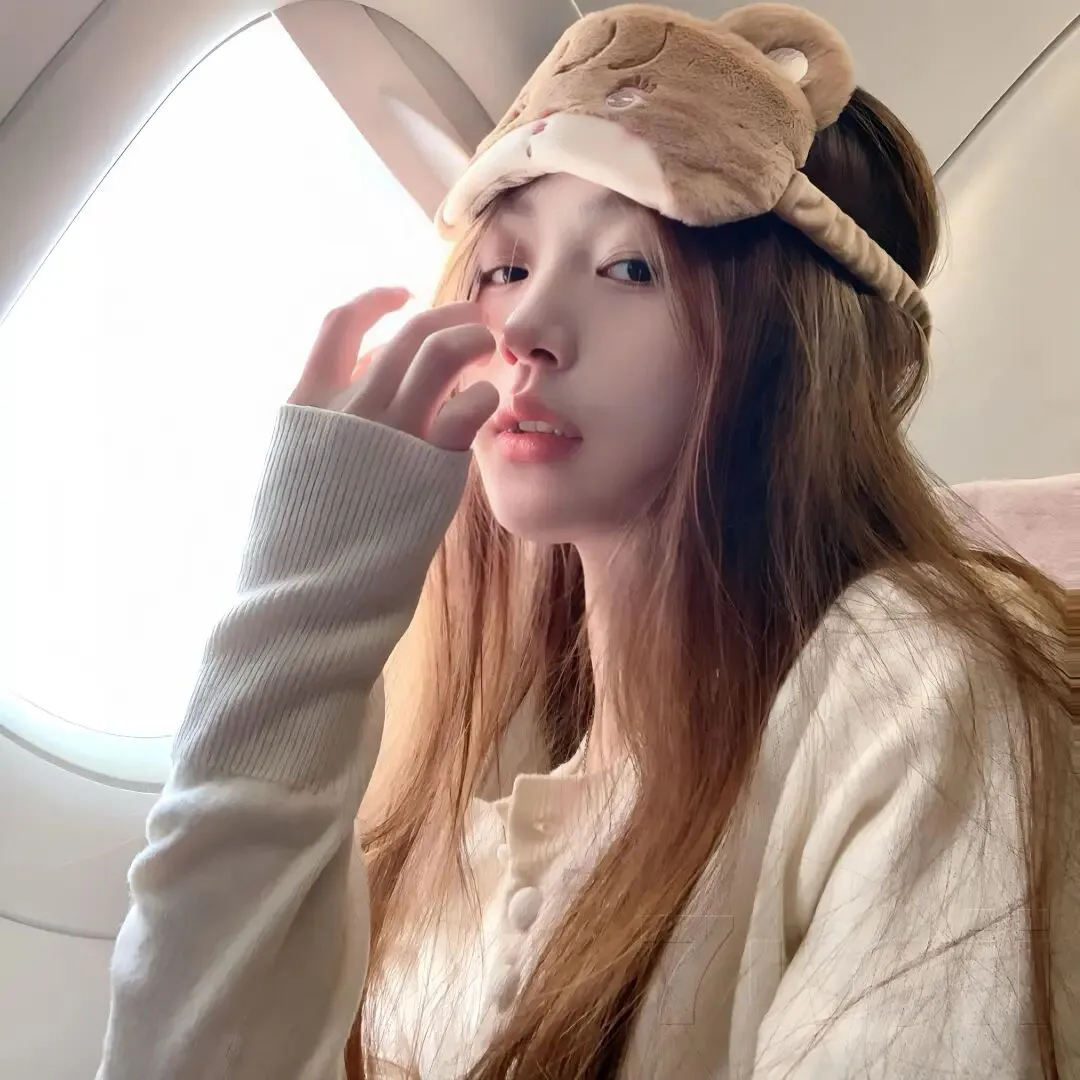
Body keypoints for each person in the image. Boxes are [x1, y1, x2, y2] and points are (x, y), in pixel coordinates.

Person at [95, 4, 1076, 1079]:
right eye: (505, 268)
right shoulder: (470, 839)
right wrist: (308, 591)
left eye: (631, 269)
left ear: (796, 348)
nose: (523, 329)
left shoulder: (926, 681)